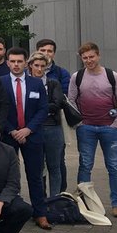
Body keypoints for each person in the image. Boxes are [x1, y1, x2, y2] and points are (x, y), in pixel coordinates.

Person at [67, 42, 117, 217]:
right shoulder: (77, 77)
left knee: (114, 166)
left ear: (98, 55)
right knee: (85, 165)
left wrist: (116, 124)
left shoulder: (112, 76)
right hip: (86, 128)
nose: (89, 60)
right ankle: (84, 203)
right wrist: (79, 123)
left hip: (109, 129)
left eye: (91, 57)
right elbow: (71, 100)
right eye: (85, 58)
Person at [0, 46, 51, 230]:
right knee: (8, 176)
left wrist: (28, 129)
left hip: (32, 135)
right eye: (12, 61)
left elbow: (43, 109)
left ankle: (40, 213)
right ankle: (11, 211)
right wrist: (12, 130)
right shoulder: (1, 82)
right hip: (8, 136)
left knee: (35, 176)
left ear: (26, 63)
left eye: (19, 61)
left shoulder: (36, 83)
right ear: (7, 63)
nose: (16, 64)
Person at [37, 38, 72, 196]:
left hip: (55, 123)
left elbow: (61, 99)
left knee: (57, 162)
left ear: (54, 53)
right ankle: (42, 197)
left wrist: (40, 105)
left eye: (49, 51)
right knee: (38, 165)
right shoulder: (28, 74)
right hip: (35, 125)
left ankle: (58, 196)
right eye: (42, 50)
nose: (46, 54)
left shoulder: (61, 73)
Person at [30, 51, 67, 198]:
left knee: (54, 166)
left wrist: (38, 107)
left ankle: (55, 199)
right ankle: (40, 200)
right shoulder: (26, 83)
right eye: (36, 65)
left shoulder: (53, 83)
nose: (39, 69)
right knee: (37, 168)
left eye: (43, 66)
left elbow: (57, 104)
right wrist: (45, 107)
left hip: (53, 128)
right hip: (34, 129)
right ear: (30, 66)